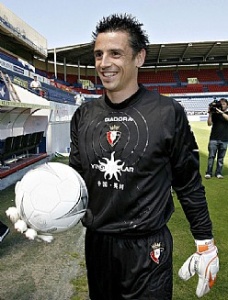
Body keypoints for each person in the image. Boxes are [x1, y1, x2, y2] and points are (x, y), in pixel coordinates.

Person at [69, 14, 219, 300]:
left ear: (139, 57)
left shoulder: (167, 113)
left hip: (147, 248)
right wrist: (44, 210)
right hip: (98, 245)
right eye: (98, 54)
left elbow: (188, 182)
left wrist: (205, 242)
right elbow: (76, 180)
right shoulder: (83, 116)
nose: (104, 63)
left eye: (115, 53)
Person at [205, 98, 228, 179]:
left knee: (220, 158)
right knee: (211, 157)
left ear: (227, 105)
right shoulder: (215, 114)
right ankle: (209, 172)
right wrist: (210, 113)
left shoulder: (226, 113)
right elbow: (209, 123)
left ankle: (218, 173)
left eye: (224, 104)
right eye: (221, 104)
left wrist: (221, 112)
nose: (222, 105)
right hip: (213, 139)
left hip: (224, 140)